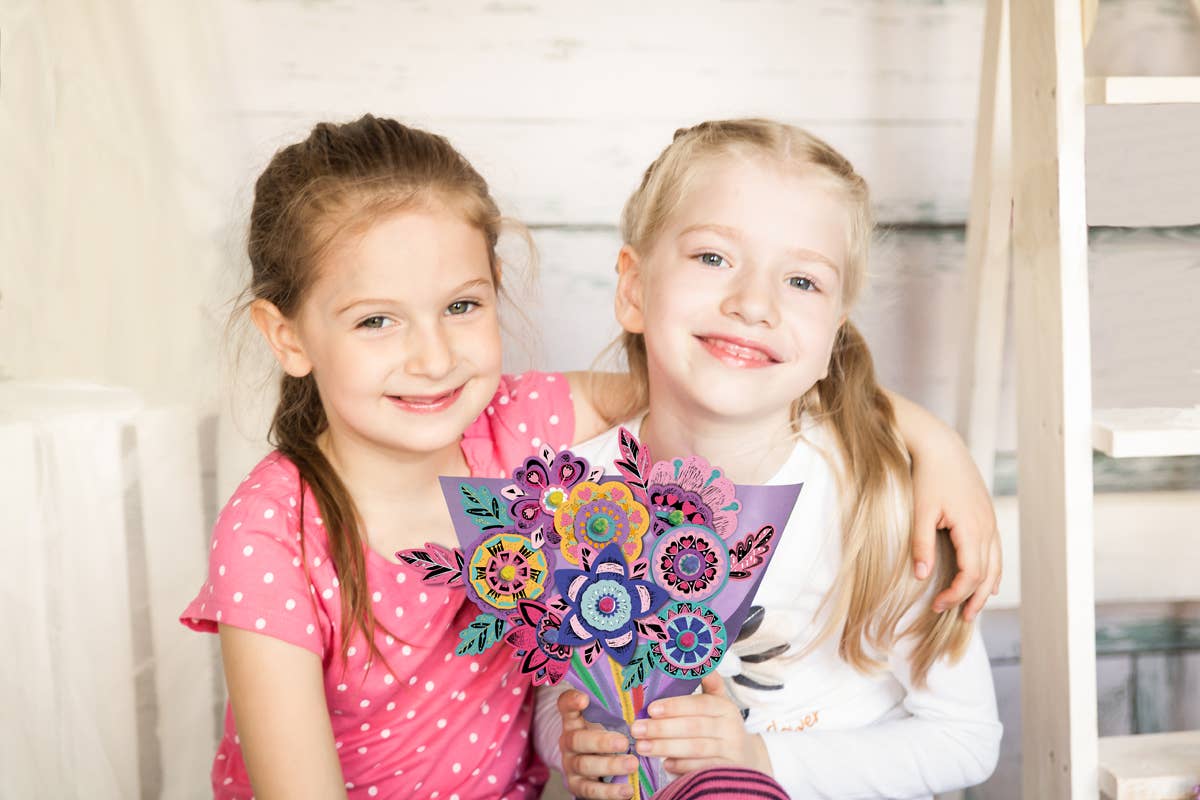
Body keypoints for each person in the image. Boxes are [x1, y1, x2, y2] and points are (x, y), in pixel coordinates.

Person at [181, 114, 997, 799]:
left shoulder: (519, 430)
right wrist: (572, 742)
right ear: (287, 336)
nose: (432, 358)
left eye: (461, 306)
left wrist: (934, 442)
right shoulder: (539, 468)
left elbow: (727, 383)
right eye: (375, 320)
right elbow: (558, 688)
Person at [547, 119, 1003, 799]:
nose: (753, 304)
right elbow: (556, 688)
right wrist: (571, 745)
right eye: (712, 258)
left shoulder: (882, 506)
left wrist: (758, 758)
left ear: (832, 340)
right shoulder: (574, 495)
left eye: (801, 281)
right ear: (635, 289)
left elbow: (965, 739)